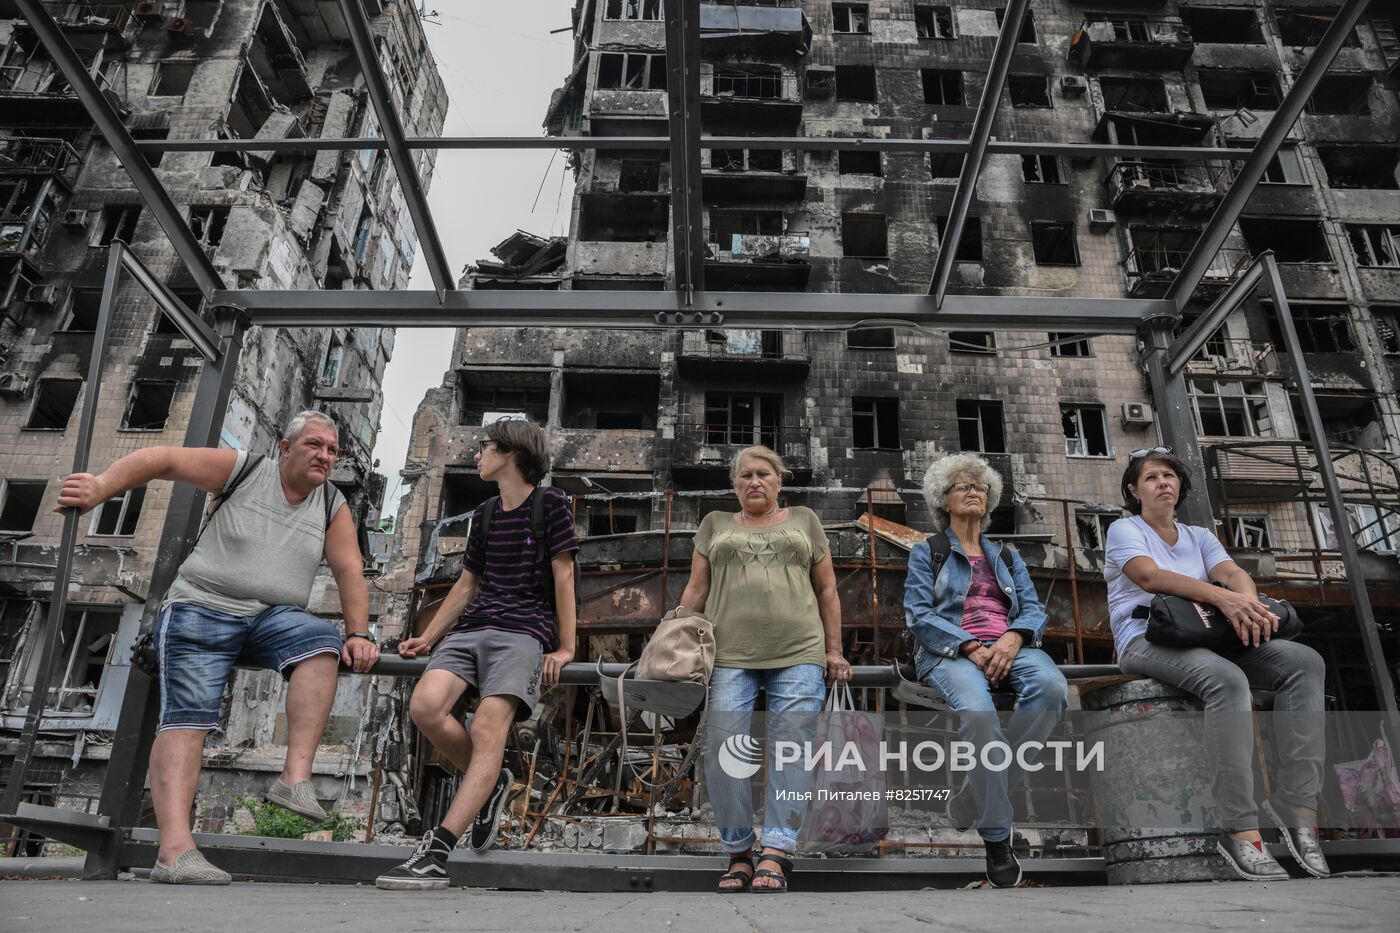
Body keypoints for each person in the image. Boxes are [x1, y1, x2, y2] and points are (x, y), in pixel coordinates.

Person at [55, 411, 379, 885]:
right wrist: (100, 488)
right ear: (285, 449)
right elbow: (161, 458)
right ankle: (175, 852)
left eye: (332, 450)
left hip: (271, 616)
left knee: (320, 642)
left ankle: (295, 780)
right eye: (315, 445)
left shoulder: (331, 504)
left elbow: (350, 569)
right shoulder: (244, 470)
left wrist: (359, 633)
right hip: (203, 605)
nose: (325, 456)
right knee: (189, 718)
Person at [1104, 447, 1330, 881]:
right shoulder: (1123, 530)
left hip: (1208, 635)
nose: (1162, 483)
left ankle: (1298, 804)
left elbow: (1233, 574)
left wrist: (1244, 602)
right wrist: (1223, 598)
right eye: (1151, 478)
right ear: (1134, 491)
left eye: (1169, 476)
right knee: (1227, 681)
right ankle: (1240, 828)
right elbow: (1150, 578)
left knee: (1304, 661)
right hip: (1145, 639)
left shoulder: (1199, 536)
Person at [375, 418, 578, 891]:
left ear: (511, 453)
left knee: (488, 726)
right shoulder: (484, 513)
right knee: (425, 706)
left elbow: (564, 577)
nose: (477, 455)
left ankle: (437, 851)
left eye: (485, 447)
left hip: (523, 632)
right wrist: (429, 637)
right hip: (471, 630)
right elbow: (468, 585)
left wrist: (567, 647)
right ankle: (490, 781)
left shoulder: (551, 504)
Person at [678, 445, 850, 894]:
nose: (754, 482)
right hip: (729, 655)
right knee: (722, 747)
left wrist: (835, 651)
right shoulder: (714, 525)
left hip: (799, 651)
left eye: (764, 475)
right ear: (734, 485)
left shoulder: (806, 520)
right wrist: (671, 642)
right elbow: (696, 589)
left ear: (779, 481)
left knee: (791, 749)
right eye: (745, 476)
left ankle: (776, 850)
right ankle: (738, 852)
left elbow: (828, 590)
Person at [903, 452, 1067, 888]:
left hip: (1010, 646)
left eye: (980, 487)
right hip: (950, 651)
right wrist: (971, 645)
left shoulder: (1007, 556)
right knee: (979, 716)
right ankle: (997, 836)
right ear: (944, 499)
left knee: (1052, 687)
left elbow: (1032, 608)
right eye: (963, 486)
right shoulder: (929, 552)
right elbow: (917, 614)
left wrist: (1014, 638)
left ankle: (974, 795)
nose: (974, 491)